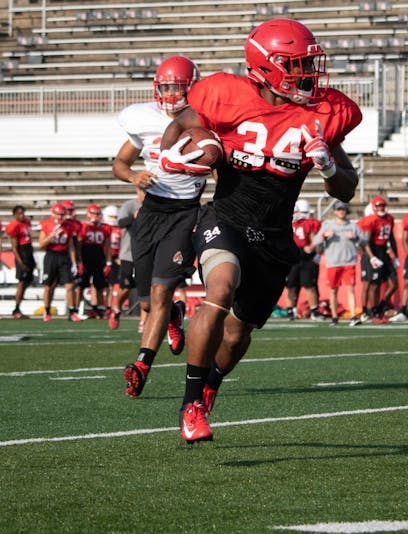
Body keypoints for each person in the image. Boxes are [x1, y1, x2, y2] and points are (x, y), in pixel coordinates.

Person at [157, 18, 362, 443]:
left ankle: (212, 383)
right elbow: (181, 123)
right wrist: (181, 151)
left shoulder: (322, 114)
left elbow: (347, 189)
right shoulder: (226, 95)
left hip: (273, 235)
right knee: (220, 288)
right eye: (296, 65)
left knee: (236, 334)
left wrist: (326, 164)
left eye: (308, 64)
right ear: (265, 67)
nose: (307, 74)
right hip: (227, 217)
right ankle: (190, 403)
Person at [112, 55, 205, 398]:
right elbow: (120, 163)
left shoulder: (204, 119)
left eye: (177, 87)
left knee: (162, 291)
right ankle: (175, 315)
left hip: (184, 213)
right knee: (150, 303)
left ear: (192, 88)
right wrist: (134, 175)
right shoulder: (143, 119)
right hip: (150, 212)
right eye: (165, 87)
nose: (170, 94)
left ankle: (141, 365)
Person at [314, 200, 364, 326]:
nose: (341, 211)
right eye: (339, 209)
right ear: (334, 211)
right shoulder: (328, 225)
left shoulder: (353, 226)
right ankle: (334, 317)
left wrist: (356, 238)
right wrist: (325, 236)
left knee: (350, 289)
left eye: (343, 209)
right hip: (333, 262)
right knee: (333, 290)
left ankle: (353, 316)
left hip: (349, 261)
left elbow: (364, 240)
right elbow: (316, 241)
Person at [109, 188, 146, 330]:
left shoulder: (155, 206)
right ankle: (116, 308)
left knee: (146, 289)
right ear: (138, 190)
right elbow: (120, 223)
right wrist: (134, 217)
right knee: (125, 287)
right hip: (129, 253)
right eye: (143, 190)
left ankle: (143, 322)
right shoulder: (129, 205)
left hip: (148, 253)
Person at [358, 195, 399, 322]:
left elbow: (391, 238)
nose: (381, 208)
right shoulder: (370, 220)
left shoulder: (389, 219)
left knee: (394, 284)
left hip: (383, 253)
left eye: (382, 205)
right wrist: (371, 257)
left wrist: (396, 256)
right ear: (374, 208)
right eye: (378, 206)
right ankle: (371, 311)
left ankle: (380, 307)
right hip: (372, 251)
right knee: (372, 284)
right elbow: (365, 242)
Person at [39, 203, 80, 321]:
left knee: (69, 285)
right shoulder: (46, 224)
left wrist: (74, 262)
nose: (61, 217)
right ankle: (47, 311)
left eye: (62, 214)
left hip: (63, 256)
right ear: (53, 214)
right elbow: (41, 244)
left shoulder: (69, 225)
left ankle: (72, 312)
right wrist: (51, 236)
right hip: (51, 255)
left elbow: (71, 245)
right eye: (58, 214)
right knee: (48, 285)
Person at [286, 199, 323, 320]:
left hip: (305, 258)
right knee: (290, 285)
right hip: (291, 257)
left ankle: (314, 310)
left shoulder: (308, 223)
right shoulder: (286, 224)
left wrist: (314, 250)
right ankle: (290, 310)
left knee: (309, 285)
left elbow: (314, 239)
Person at [77, 204, 113, 319]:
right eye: (93, 213)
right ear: (88, 214)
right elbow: (78, 246)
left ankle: (99, 309)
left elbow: (107, 245)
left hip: (98, 257)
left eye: (98, 214)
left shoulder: (105, 228)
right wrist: (79, 261)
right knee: (81, 285)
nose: (96, 216)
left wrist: (108, 262)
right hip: (86, 256)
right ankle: (77, 309)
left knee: (100, 285)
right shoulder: (82, 227)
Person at [5, 205, 36, 319]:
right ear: (15, 215)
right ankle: (16, 309)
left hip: (28, 252)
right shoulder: (14, 225)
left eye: (23, 213)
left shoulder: (27, 222)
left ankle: (18, 308)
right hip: (21, 253)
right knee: (22, 283)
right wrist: (21, 263)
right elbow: (14, 247)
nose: (22, 215)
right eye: (19, 213)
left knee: (27, 282)